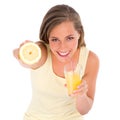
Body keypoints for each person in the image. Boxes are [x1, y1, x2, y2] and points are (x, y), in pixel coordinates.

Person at [13, 4, 99, 120]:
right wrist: (22, 53)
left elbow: (84, 110)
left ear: (79, 33)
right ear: (48, 37)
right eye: (55, 39)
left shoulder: (90, 60)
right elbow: (26, 60)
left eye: (69, 38)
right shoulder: (43, 51)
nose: (62, 47)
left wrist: (81, 95)